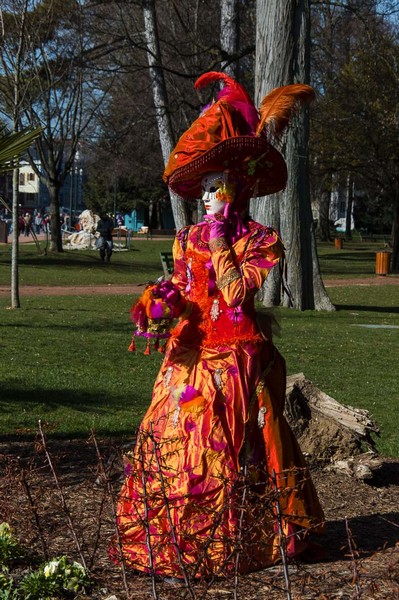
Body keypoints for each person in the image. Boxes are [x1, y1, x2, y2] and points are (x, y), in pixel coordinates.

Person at [111, 72, 324, 578]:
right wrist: (163, 305)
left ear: (237, 187)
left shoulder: (260, 240)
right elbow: (189, 299)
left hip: (235, 353)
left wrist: (219, 247)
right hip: (190, 351)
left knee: (223, 436)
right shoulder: (186, 240)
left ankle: (235, 539)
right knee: (167, 426)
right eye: (202, 189)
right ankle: (168, 537)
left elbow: (234, 295)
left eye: (214, 188)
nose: (205, 198)